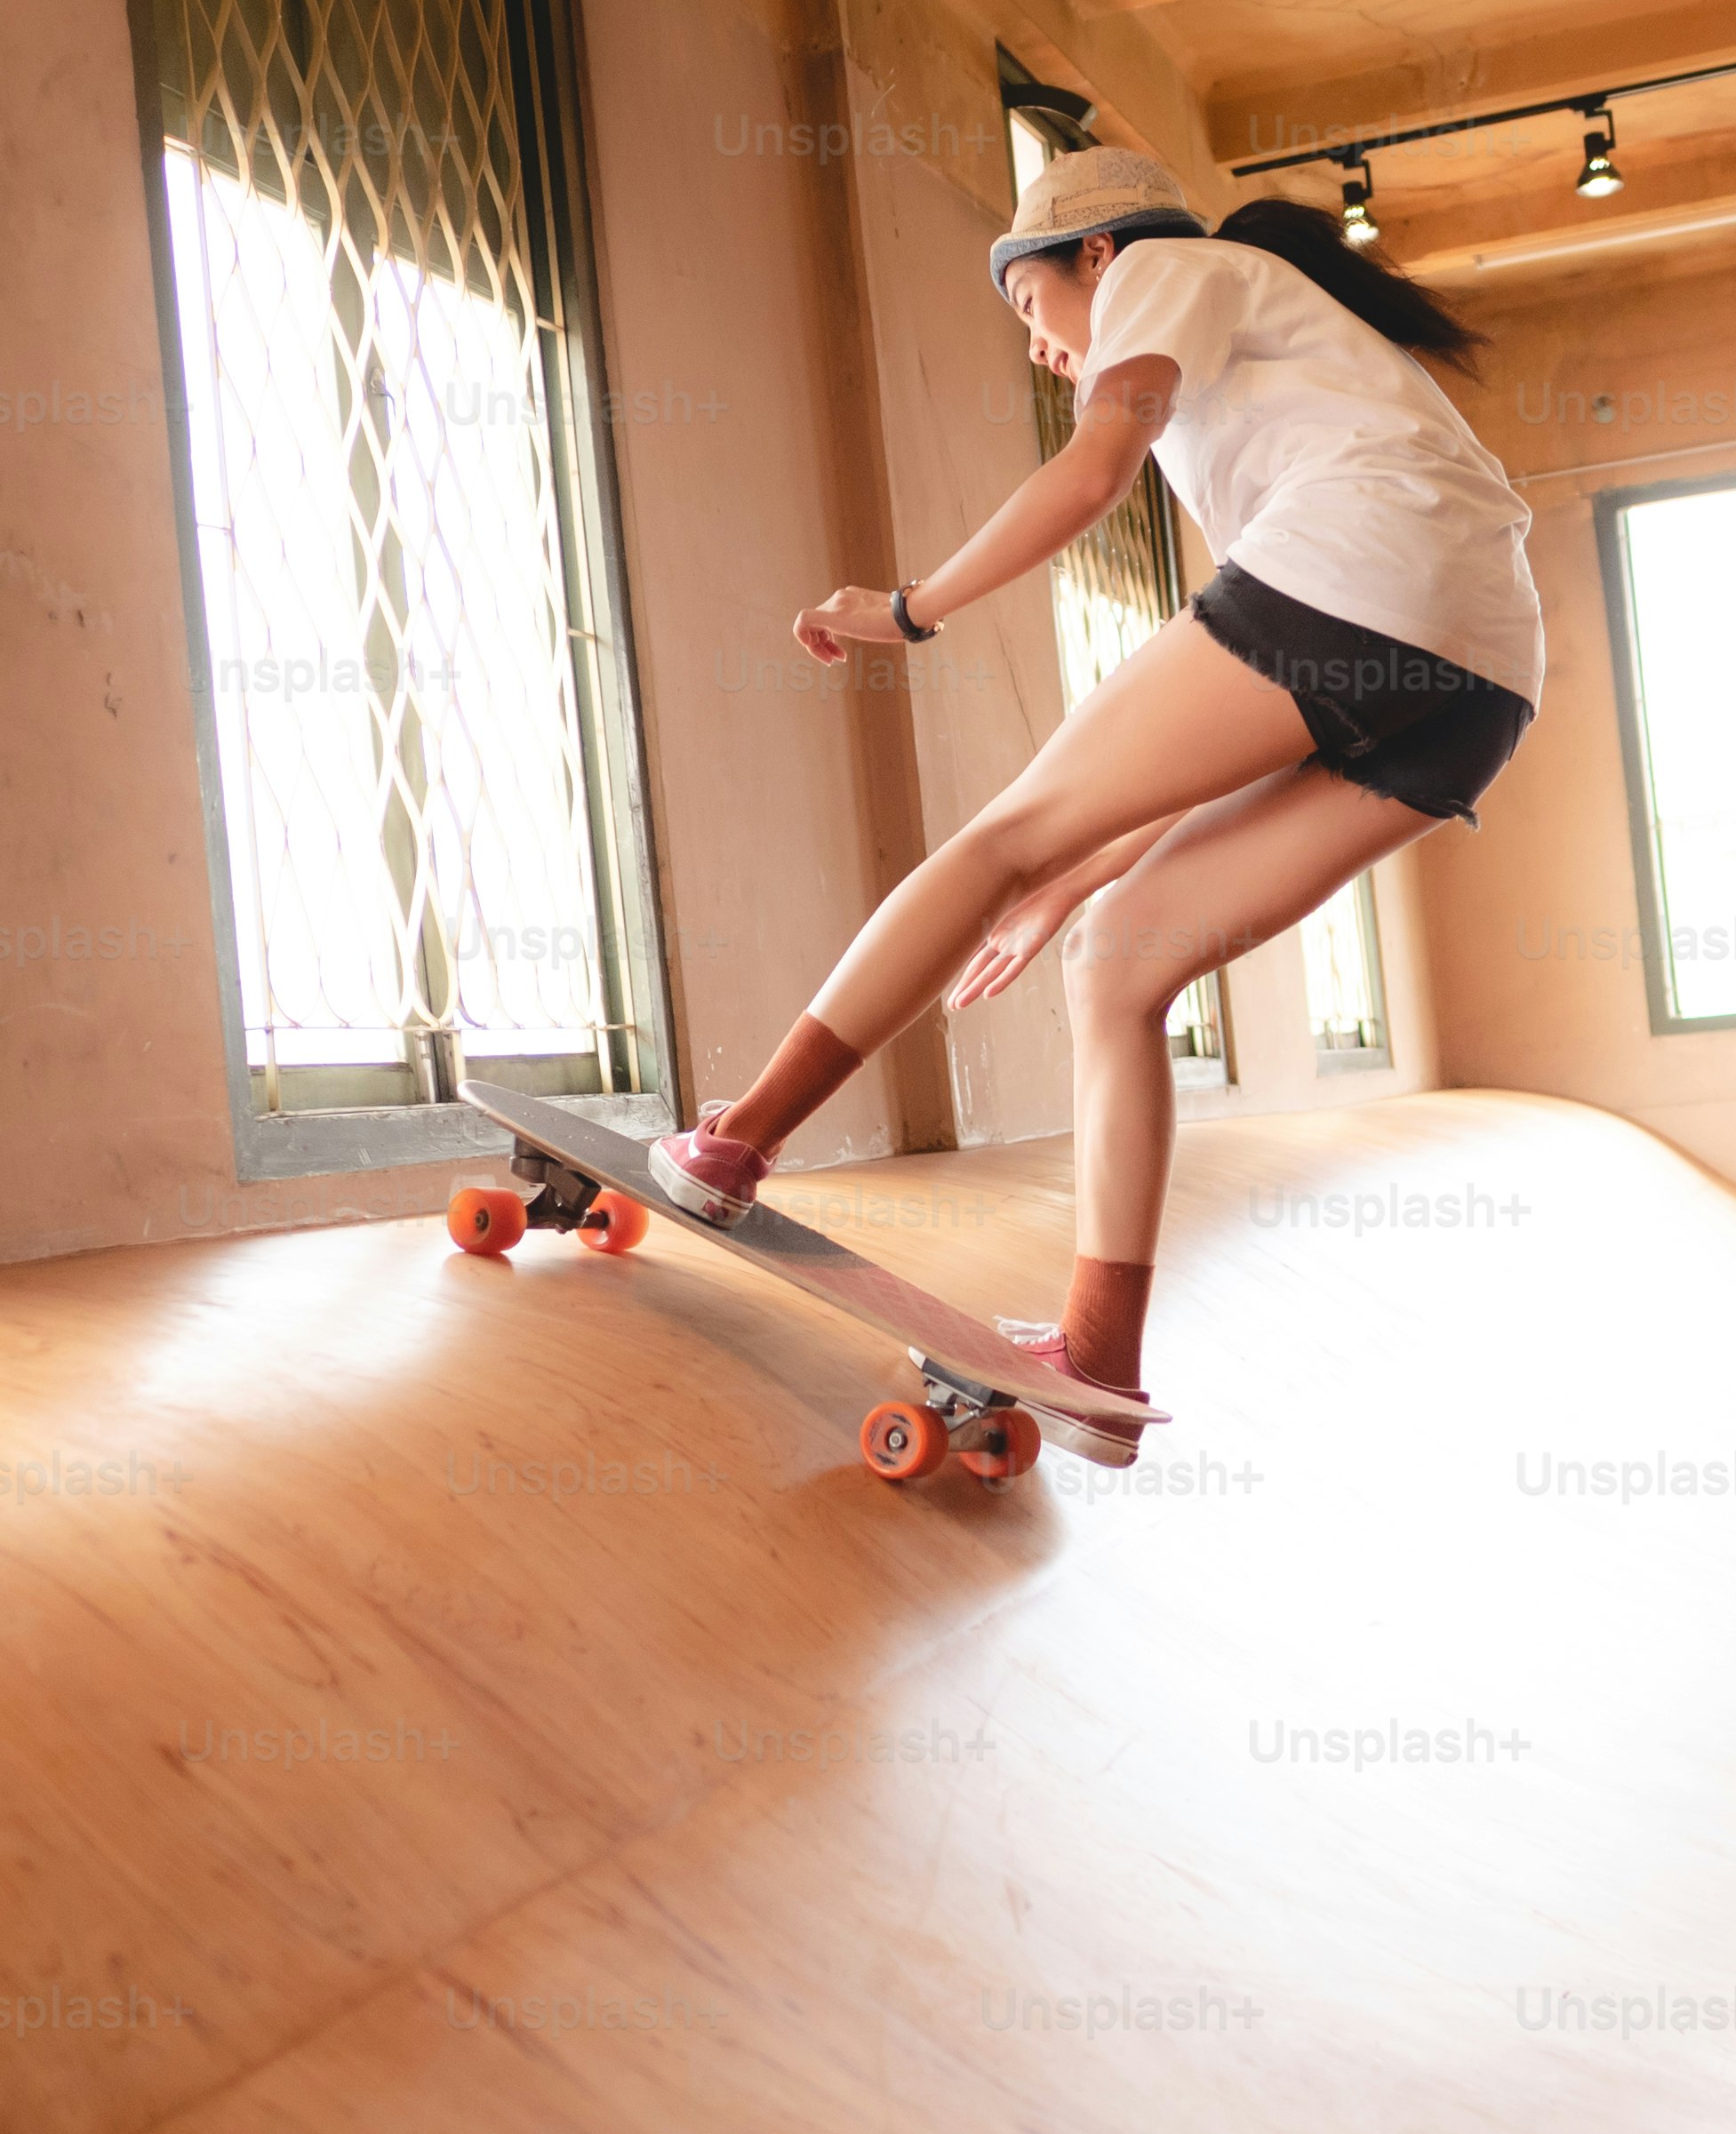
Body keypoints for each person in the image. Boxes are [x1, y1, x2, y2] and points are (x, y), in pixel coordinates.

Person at [651, 143, 1542, 1454]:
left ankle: (734, 1145)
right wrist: (1071, 878)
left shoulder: (1160, 274)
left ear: (1096, 254)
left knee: (996, 838)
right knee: (1118, 961)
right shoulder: (1279, 372)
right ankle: (1101, 1357)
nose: (1038, 343)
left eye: (1031, 300)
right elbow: (1246, 730)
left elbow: (1087, 478)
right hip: (1483, 685)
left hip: (1363, 581)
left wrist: (908, 610)